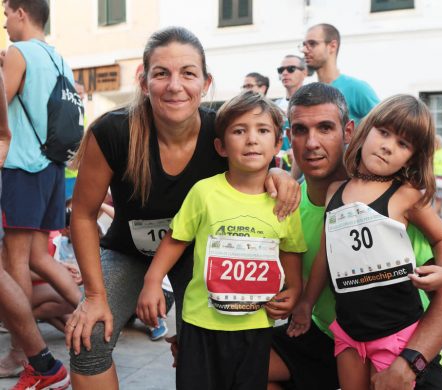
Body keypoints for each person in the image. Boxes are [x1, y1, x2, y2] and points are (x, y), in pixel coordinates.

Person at [66, 26, 299, 390]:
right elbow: (81, 214)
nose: (175, 85)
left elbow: (254, 160)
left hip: (200, 253)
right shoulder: (114, 132)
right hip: (131, 253)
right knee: (88, 337)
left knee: (200, 346)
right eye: (162, 73)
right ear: (144, 82)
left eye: (188, 73)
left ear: (206, 83)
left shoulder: (220, 133)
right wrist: (95, 296)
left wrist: (276, 174)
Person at [268, 83, 442, 390]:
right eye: (300, 130)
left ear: (349, 131)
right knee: (233, 362)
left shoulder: (400, 199)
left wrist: (410, 363)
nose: (312, 143)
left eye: (325, 128)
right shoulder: (292, 201)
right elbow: (325, 255)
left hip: (402, 338)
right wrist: (275, 173)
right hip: (338, 335)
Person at [137, 91, 306, 390]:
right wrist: (152, 281)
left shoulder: (284, 202)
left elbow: (290, 249)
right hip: (201, 322)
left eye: (262, 131)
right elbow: (176, 239)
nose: (251, 139)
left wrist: (295, 289)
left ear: (278, 143)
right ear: (221, 146)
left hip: (255, 325)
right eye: (239, 131)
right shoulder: (204, 193)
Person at [0, 43, 69, 389]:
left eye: (9, 12)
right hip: (50, 166)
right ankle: (94, 317)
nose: (6, 20)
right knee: (37, 258)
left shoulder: (19, 53)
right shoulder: (59, 58)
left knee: (13, 263)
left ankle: (26, 355)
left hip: (22, 167)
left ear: (21, 12)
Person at [299, 23, 379, 126]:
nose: (304, 50)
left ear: (332, 46)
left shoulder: (356, 88)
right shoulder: (310, 92)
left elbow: (386, 125)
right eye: (304, 45)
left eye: (312, 44)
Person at [274, 55, 308, 170]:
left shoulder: (313, 104)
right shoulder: (274, 106)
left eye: (291, 69)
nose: (284, 73)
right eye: (281, 70)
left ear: (304, 73)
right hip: (278, 169)